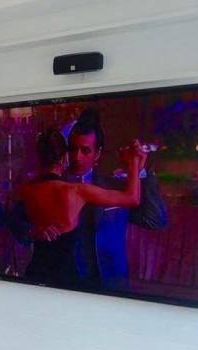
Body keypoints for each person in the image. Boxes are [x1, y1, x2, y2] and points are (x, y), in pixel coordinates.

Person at [19, 128, 145, 286]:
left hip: (35, 274)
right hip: (67, 278)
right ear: (64, 157)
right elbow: (132, 198)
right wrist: (134, 162)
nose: (77, 157)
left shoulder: (24, 190)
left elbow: (9, 219)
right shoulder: (75, 191)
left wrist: (33, 231)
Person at [60, 109, 169, 289]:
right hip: (64, 283)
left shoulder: (115, 187)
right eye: (72, 149)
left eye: (85, 150)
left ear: (97, 154)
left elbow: (156, 220)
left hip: (110, 283)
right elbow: (18, 222)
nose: (76, 157)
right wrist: (34, 231)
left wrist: (140, 171)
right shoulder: (54, 185)